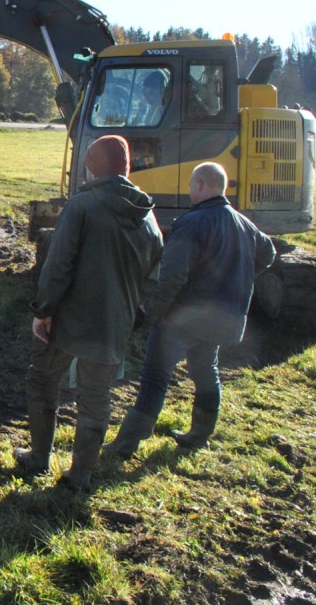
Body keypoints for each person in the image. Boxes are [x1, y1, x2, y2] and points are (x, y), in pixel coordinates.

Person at [15, 135, 163, 492]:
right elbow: (154, 274)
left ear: (92, 167)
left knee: (42, 380)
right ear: (126, 168)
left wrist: (43, 311)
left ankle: (38, 458)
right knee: (96, 396)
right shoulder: (147, 216)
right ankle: (80, 476)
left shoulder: (81, 206)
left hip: (67, 320)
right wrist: (133, 315)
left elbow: (58, 266)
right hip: (114, 325)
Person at [103, 162, 276, 458]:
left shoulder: (192, 223)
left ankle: (126, 444)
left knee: (156, 377)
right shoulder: (245, 224)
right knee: (205, 370)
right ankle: (200, 434)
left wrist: (150, 313)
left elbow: (172, 278)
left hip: (184, 319)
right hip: (225, 319)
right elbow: (268, 253)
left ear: (199, 185)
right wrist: (238, 279)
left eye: (191, 185)